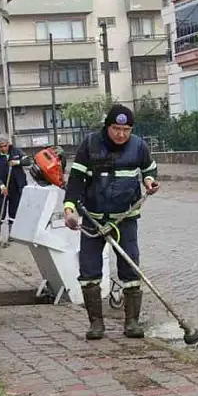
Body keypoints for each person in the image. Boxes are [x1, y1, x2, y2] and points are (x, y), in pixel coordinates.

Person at [63, 104, 159, 340]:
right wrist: (69, 209)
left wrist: (149, 182)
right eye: (116, 128)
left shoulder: (139, 146)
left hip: (125, 218)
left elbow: (150, 169)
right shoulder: (90, 145)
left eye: (126, 129)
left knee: (131, 268)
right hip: (93, 219)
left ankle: (132, 323)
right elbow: (75, 179)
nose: (121, 134)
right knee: (89, 271)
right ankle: (96, 324)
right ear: (108, 126)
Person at [0, 136, 27, 249]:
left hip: (16, 187)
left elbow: (28, 161)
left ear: (8, 144)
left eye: (5, 146)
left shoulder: (16, 151)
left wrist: (16, 162)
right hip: (1, 189)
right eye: (1, 147)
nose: (4, 148)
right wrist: (1, 186)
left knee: (14, 210)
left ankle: (12, 236)